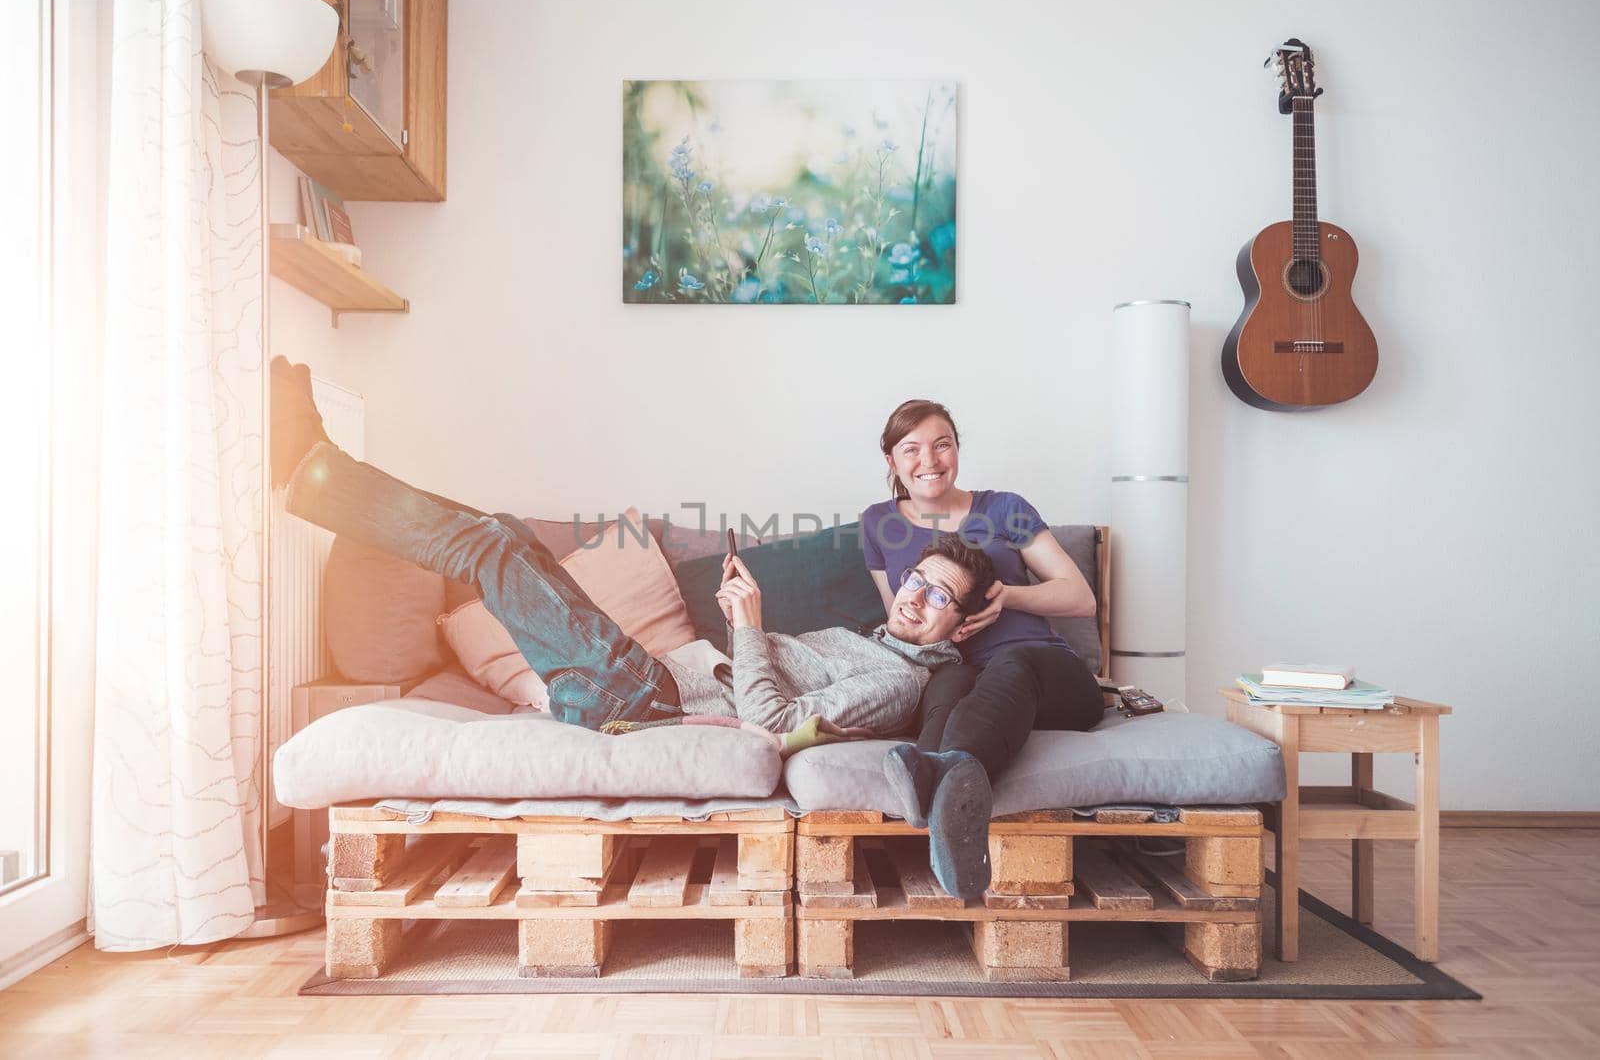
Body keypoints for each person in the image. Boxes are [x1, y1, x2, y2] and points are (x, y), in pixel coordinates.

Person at [270, 359, 1000, 895]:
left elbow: (775, 720)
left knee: (491, 548)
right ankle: (320, 467)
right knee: (502, 534)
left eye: (940, 597)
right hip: (637, 676)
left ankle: (312, 473)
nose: (914, 596)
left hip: (636, 701)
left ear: (959, 628)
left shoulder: (897, 681)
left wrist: (748, 625)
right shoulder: (874, 637)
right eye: (916, 579)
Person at [862, 399, 1105, 874]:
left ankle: (942, 779)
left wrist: (1008, 598)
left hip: (1044, 671)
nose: (928, 461)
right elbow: (898, 618)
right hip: (955, 673)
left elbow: (1080, 598)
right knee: (947, 684)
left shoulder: (1005, 508)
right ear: (891, 462)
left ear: (957, 451)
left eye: (942, 445)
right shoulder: (878, 523)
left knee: (1013, 664)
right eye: (911, 449)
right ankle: (942, 811)